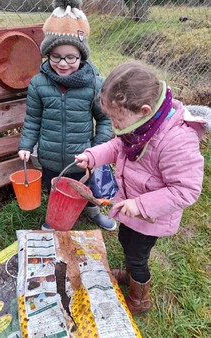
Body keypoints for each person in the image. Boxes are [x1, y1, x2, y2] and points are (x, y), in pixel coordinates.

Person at [75, 60, 209, 315]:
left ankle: (139, 299)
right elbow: (116, 147)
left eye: (117, 118)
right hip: (131, 206)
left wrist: (140, 205)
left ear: (145, 110)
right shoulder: (138, 127)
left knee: (138, 254)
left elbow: (186, 190)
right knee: (126, 239)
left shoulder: (176, 140)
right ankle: (130, 274)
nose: (114, 124)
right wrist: (93, 156)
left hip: (151, 215)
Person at [18, 0, 116, 231]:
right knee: (57, 188)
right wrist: (26, 145)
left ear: (81, 56)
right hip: (50, 156)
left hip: (82, 156)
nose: (63, 63)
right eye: (56, 56)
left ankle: (93, 211)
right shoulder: (38, 83)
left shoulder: (93, 84)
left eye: (70, 57)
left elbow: (103, 119)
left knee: (87, 187)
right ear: (47, 55)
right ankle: (57, 216)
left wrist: (96, 150)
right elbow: (32, 119)